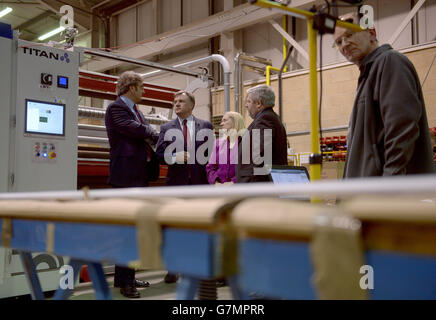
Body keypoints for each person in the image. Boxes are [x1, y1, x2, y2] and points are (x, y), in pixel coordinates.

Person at [333, 12, 435, 177]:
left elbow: (401, 131)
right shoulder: (368, 73)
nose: (344, 44)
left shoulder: (390, 62)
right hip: (370, 194)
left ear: (371, 33)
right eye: (338, 42)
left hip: (386, 195)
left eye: (350, 35)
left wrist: (388, 186)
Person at [105, 71, 158, 298]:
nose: (144, 91)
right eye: (142, 87)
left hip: (137, 176)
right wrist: (154, 132)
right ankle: (126, 283)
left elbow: (141, 132)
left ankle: (125, 277)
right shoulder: (116, 108)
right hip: (125, 177)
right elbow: (136, 130)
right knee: (126, 230)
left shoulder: (135, 111)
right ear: (132, 88)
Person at [156, 90, 214, 284]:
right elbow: (159, 154)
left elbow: (212, 155)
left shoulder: (205, 126)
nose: (177, 104)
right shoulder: (166, 127)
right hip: (176, 184)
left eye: (181, 101)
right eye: (175, 101)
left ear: (191, 105)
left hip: (199, 184)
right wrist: (173, 157)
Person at [236, 84, 288, 183]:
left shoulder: (265, 119)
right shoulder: (271, 118)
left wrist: (245, 187)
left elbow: (258, 159)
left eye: (249, 101)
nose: (246, 105)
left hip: (257, 187)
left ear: (259, 103)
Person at [206, 112, 246, 185]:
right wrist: (216, 182)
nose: (221, 124)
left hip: (240, 189)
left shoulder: (247, 143)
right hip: (219, 190)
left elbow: (248, 170)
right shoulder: (218, 143)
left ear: (235, 122)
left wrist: (233, 182)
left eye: (225, 120)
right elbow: (210, 168)